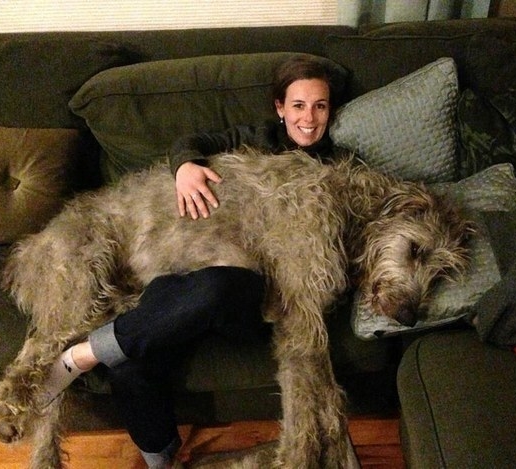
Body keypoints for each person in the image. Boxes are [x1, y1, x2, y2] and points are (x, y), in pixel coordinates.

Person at [42, 55, 347, 469]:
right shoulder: (254, 140)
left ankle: (83, 355)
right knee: (128, 367)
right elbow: (193, 142)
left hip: (250, 294)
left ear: (331, 109)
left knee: (222, 285)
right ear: (280, 108)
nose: (309, 119)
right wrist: (185, 166)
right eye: (298, 105)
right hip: (185, 274)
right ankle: (161, 457)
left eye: (320, 106)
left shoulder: (339, 169)